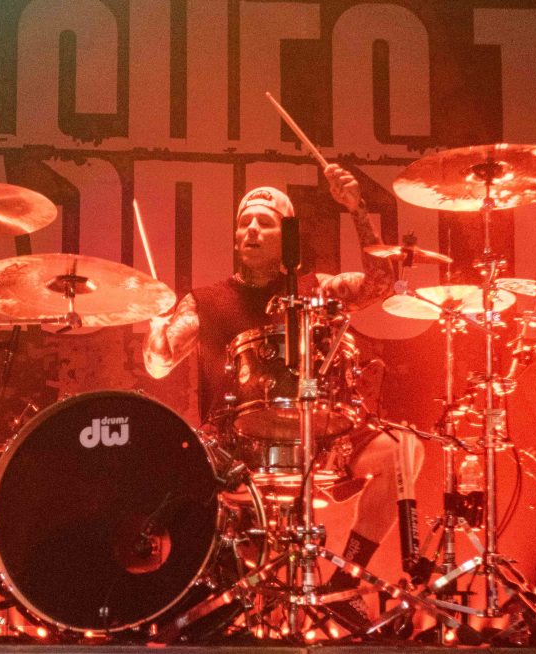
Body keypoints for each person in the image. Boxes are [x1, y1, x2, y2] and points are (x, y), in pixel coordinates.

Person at [143, 164, 424, 629]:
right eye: (244, 222)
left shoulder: (316, 290)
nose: (252, 229)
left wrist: (357, 210)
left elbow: (380, 283)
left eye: (265, 223)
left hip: (318, 438)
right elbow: (158, 363)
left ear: (286, 236)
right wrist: (154, 323)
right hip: (237, 448)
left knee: (404, 451)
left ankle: (343, 583)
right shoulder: (205, 302)